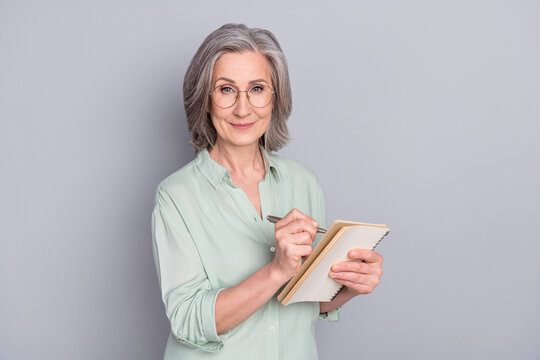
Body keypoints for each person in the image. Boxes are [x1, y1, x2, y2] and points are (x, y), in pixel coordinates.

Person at [151, 23, 384, 360]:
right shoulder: (176, 196)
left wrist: (349, 285)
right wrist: (276, 270)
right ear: (205, 100)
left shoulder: (304, 182)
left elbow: (299, 301)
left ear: (276, 98)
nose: (243, 109)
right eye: (226, 90)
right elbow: (188, 321)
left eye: (257, 88)